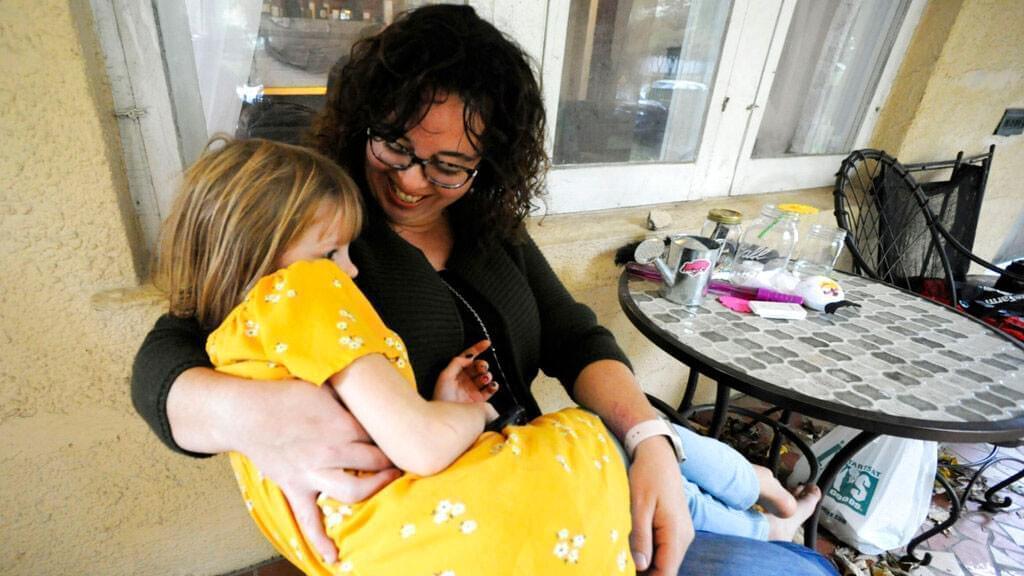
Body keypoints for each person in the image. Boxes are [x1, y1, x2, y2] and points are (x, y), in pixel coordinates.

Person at [132, 5, 837, 575]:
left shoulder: (487, 223)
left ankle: (761, 507)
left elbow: (573, 335)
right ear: (363, 122)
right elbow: (168, 354)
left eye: (449, 164)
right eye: (396, 147)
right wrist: (246, 417)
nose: (412, 181)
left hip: (545, 474)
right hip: (475, 531)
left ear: (489, 163)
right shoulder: (312, 234)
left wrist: (650, 436)